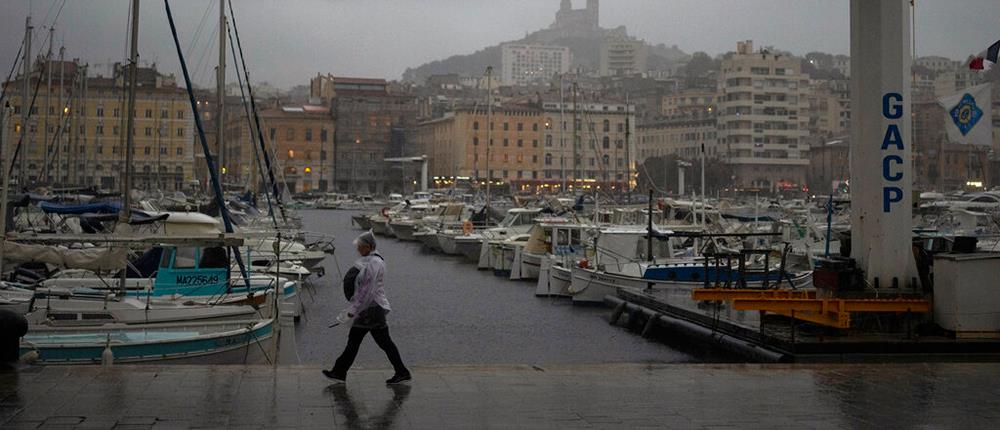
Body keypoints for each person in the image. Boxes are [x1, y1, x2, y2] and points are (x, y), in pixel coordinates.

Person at [324, 230, 411, 385]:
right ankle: (339, 371)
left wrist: (354, 309)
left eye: (360, 247)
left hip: (371, 309)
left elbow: (367, 290)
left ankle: (401, 371)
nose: (358, 250)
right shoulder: (370, 261)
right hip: (370, 308)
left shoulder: (374, 263)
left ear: (369, 247)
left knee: (374, 342)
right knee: (366, 341)